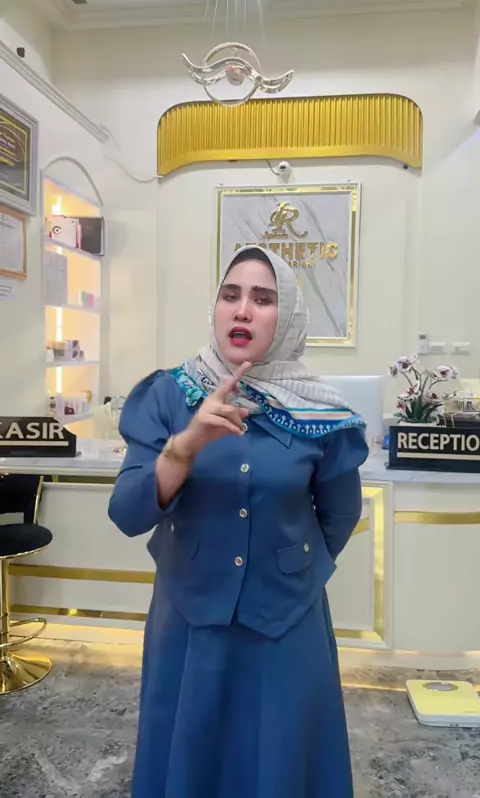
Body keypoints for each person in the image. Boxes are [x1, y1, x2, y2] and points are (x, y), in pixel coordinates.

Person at [108, 245, 369, 798]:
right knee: (192, 755)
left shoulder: (321, 411)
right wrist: (185, 446)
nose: (243, 309)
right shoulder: (169, 394)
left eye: (263, 298)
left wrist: (291, 566)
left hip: (287, 623)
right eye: (231, 295)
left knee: (281, 756)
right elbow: (127, 513)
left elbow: (341, 513)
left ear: (288, 316)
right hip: (190, 620)